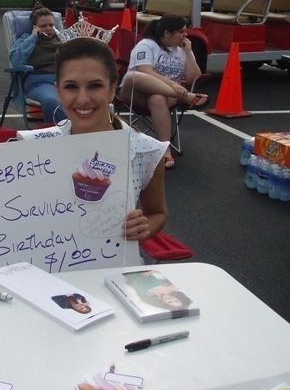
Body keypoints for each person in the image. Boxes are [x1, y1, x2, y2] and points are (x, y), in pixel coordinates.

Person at [54, 37, 168, 243]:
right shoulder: (38, 146)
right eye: (71, 86)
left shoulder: (146, 152)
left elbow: (157, 213)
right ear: (58, 90)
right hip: (50, 268)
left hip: (112, 267)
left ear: (112, 88)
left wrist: (144, 227)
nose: (82, 99)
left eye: (95, 86)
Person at [118, 15, 208, 169]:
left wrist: (188, 53)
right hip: (135, 93)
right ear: (167, 33)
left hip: (166, 98)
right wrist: (175, 86)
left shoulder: (183, 49)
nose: (186, 35)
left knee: (157, 98)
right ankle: (187, 97)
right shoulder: (147, 45)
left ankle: (165, 152)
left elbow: (194, 77)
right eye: (181, 32)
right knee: (134, 76)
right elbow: (144, 70)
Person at [9, 5, 67, 124]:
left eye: (51, 25)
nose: (48, 28)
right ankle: (60, 135)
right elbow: (16, 61)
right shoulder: (26, 39)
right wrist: (33, 38)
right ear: (35, 27)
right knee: (53, 102)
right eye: (43, 26)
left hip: (65, 80)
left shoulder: (63, 39)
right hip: (40, 82)